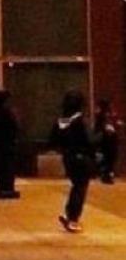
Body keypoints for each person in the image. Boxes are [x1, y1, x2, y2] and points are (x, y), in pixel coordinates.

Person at [51, 91, 94, 233]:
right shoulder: (80, 120)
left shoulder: (63, 120)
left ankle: (70, 213)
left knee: (76, 186)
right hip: (81, 158)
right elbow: (89, 141)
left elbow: (53, 139)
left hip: (68, 157)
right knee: (80, 188)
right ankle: (73, 218)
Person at [0, 89, 21, 199]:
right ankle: (8, 188)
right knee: (8, 167)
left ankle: (2, 188)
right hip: (8, 144)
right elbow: (15, 127)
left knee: (0, 167)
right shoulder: (9, 112)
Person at [95, 98, 120, 184]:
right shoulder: (102, 115)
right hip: (107, 140)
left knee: (110, 158)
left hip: (110, 140)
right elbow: (100, 127)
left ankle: (107, 174)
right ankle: (106, 175)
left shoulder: (108, 115)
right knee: (108, 158)